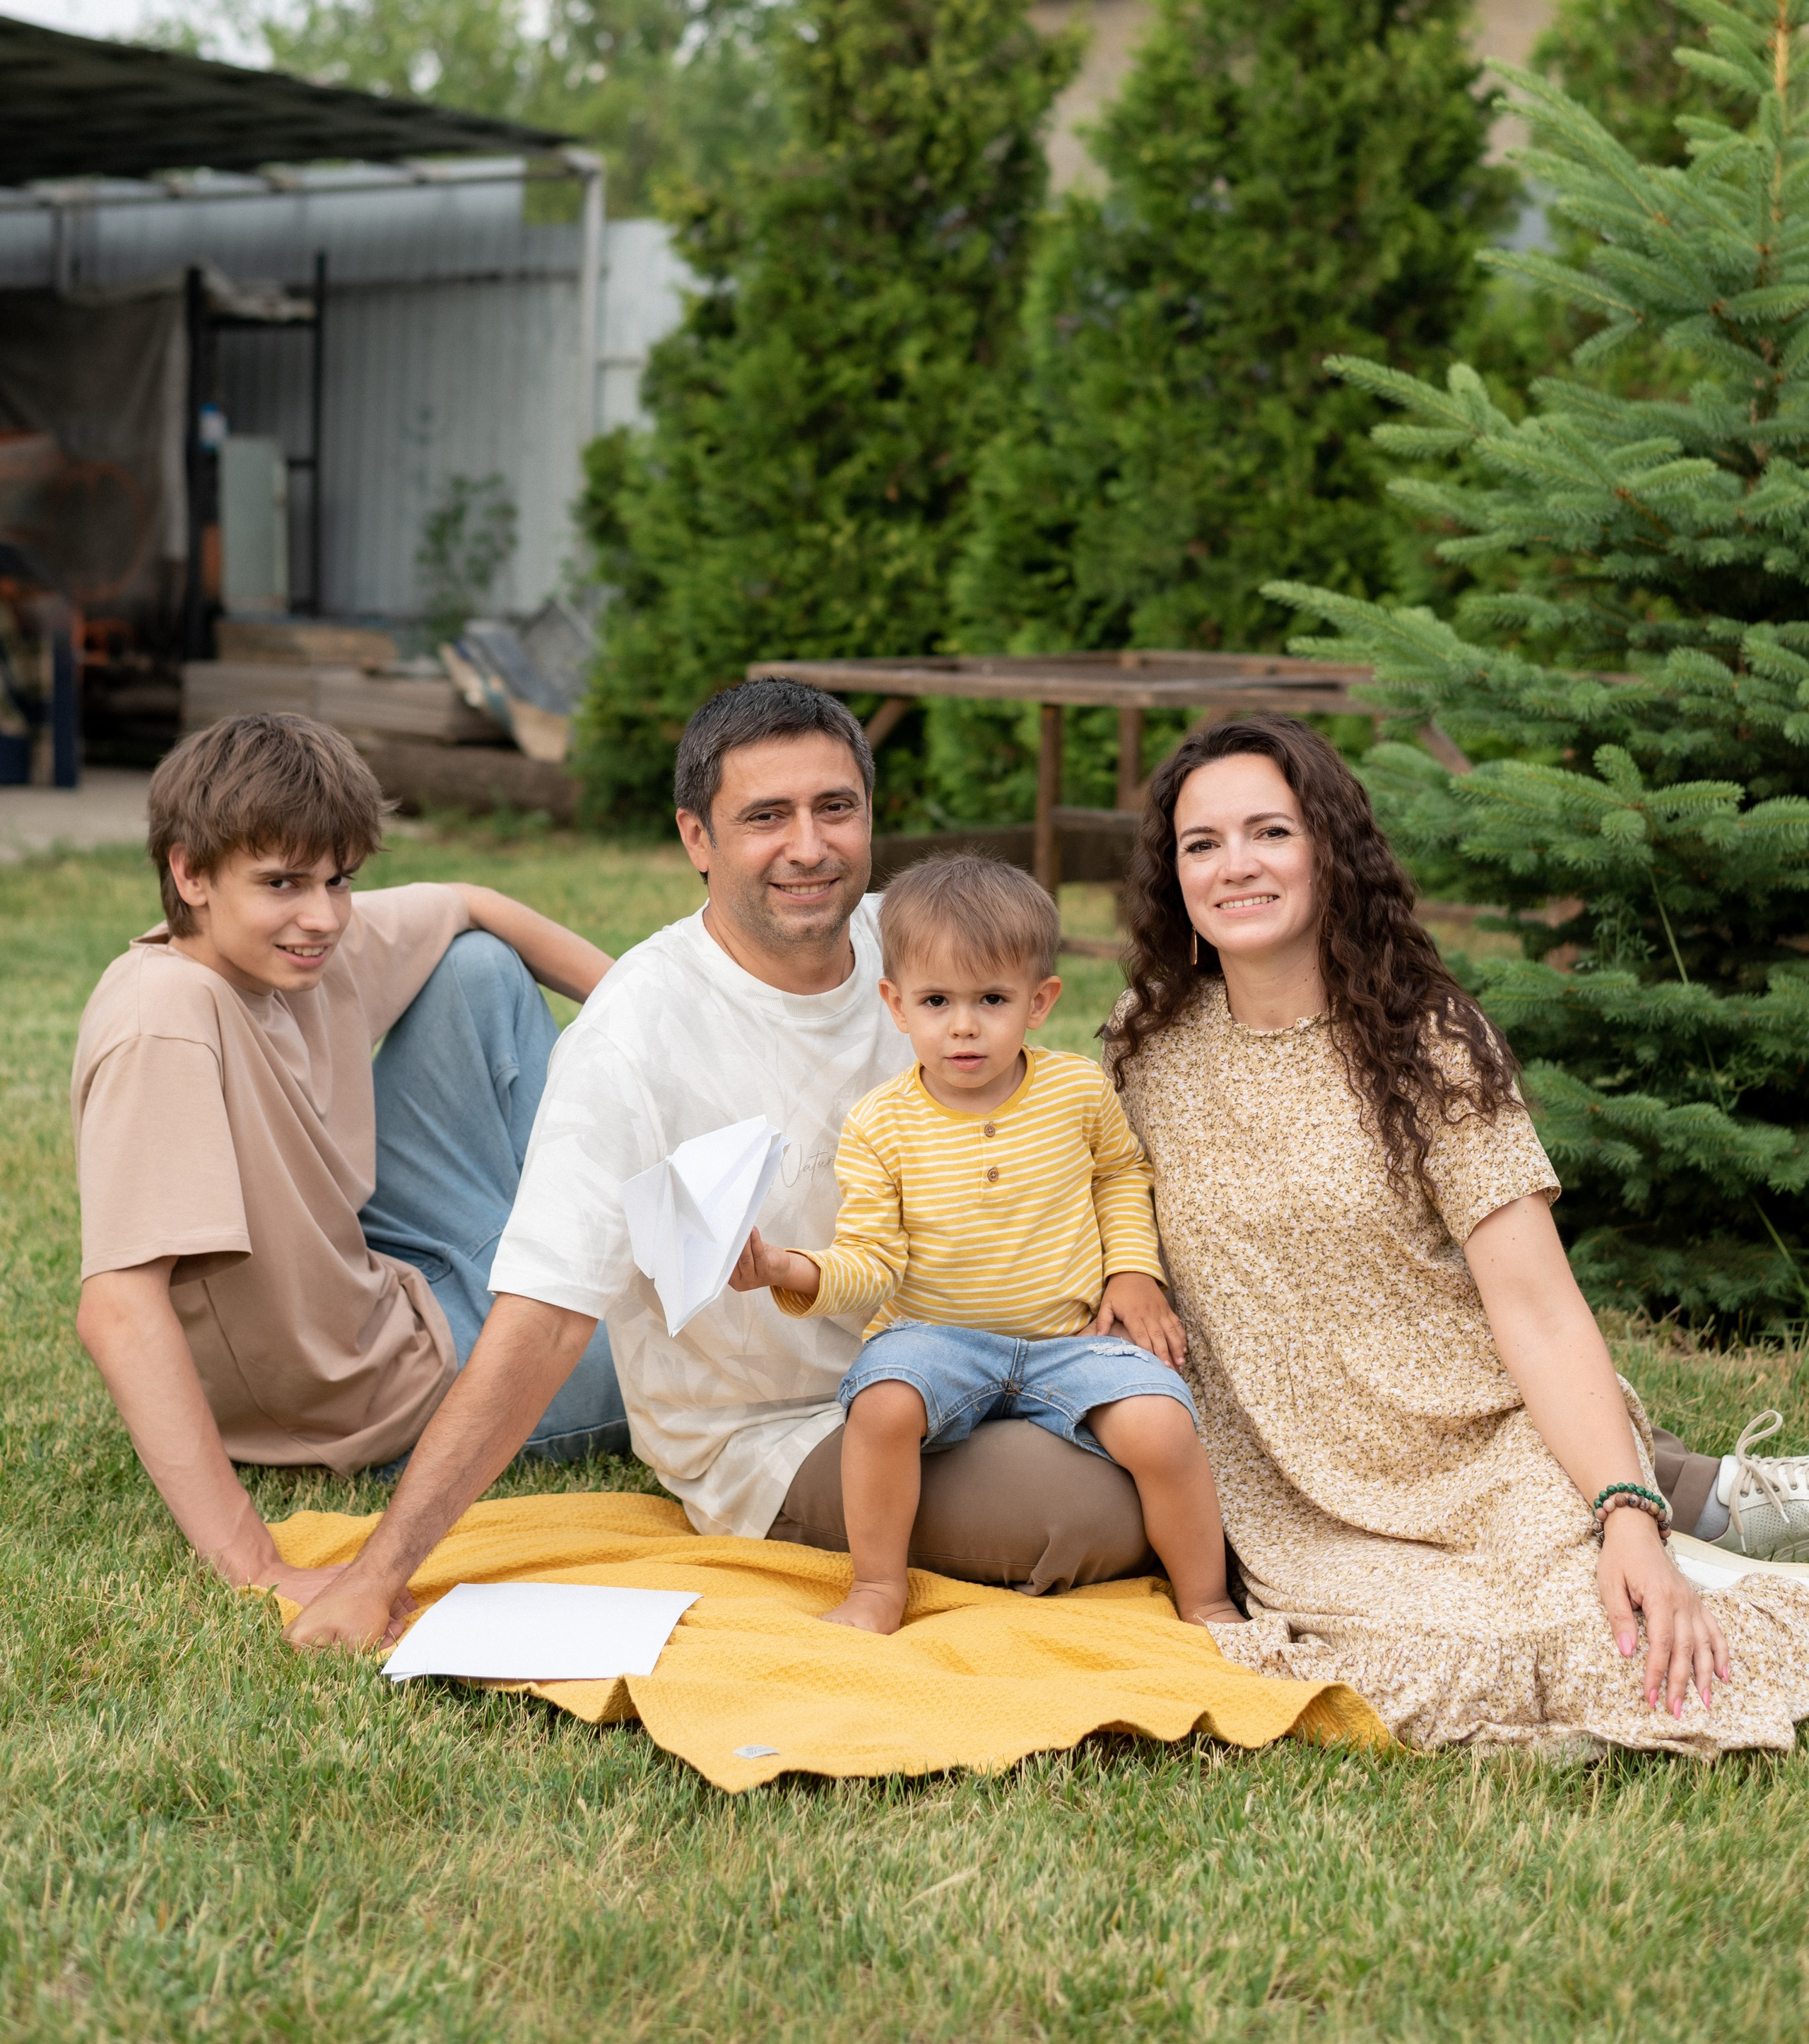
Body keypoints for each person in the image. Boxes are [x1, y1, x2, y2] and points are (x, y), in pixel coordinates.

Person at [287, 679, 1160, 1653]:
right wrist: (379, 1574)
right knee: (1089, 1512)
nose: (809, 846)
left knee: (1172, 1430)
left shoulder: (918, 948)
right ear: (697, 838)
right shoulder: (633, 1037)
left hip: (984, 1355)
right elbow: (540, 1318)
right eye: (764, 817)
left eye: (836, 808)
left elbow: (1065, 1123)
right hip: (788, 1426)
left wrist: (1126, 1270)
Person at [1104, 713, 1809, 1756]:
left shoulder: (1424, 1040)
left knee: (1615, 1632)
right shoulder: (1142, 1045)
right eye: (1201, 843)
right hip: (1304, 1499)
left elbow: (1539, 1309)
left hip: (1485, 1449)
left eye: (1270, 833)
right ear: (1174, 877)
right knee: (1439, 1660)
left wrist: (1624, 1513)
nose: (1235, 865)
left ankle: (1698, 1542)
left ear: (1328, 852)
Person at [73, 712, 626, 1621]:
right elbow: (120, 1310)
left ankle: (616, 1262)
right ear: (189, 872)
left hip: (393, 1278)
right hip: (371, 1401)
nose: (322, 917)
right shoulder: (165, 1022)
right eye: (282, 882)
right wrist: (258, 1562)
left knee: (477, 967)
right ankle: (636, 1285)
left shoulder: (296, 949)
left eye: (338, 881)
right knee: (687, 1351)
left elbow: (469, 900)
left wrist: (669, 1021)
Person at [731, 854, 1237, 1635]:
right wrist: (788, 1269)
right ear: (896, 1006)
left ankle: (1205, 1598)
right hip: (933, 1339)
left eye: (991, 1000)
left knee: (1162, 1426)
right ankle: (875, 1588)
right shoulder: (880, 1124)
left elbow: (1119, 1174)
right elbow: (870, 1259)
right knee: (882, 1403)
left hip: (1069, 1339)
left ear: (1039, 1002)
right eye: (937, 1001)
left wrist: (1133, 1271)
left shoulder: (1074, 1090)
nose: (963, 1025)